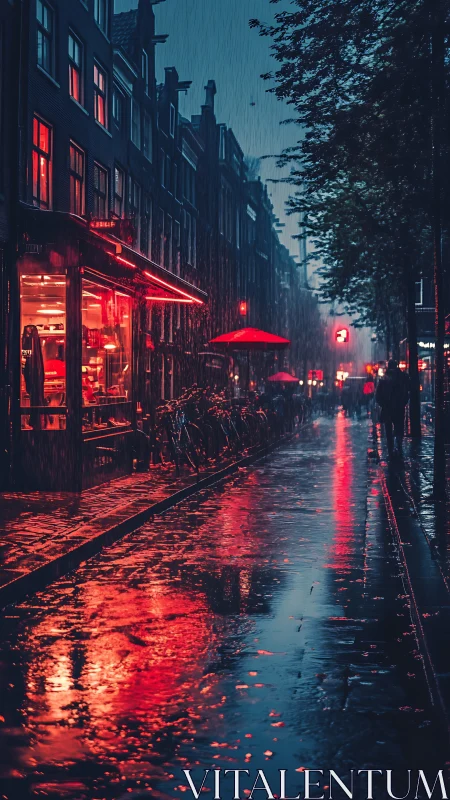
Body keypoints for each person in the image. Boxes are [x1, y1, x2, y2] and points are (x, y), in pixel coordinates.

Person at [375, 359, 410, 459]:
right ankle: (398, 446)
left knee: (389, 431)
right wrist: (403, 402)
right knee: (399, 428)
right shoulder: (403, 377)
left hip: (388, 409)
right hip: (399, 408)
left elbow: (378, 396)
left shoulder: (384, 378)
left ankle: (391, 450)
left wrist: (384, 404)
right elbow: (409, 389)